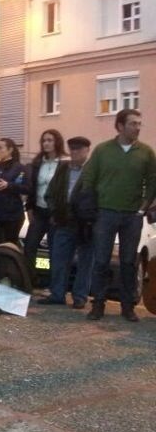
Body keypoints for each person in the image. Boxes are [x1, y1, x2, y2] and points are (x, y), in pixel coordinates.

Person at [82, 109, 156, 322]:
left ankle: (128, 306)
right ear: (120, 126)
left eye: (139, 123)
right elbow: (89, 178)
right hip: (105, 213)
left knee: (129, 262)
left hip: (132, 216)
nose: (138, 128)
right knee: (101, 260)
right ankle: (98, 304)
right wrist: (93, 206)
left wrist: (143, 207)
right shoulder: (103, 150)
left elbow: (153, 181)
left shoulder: (146, 152)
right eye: (133, 123)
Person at [39, 136, 94, 308]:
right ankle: (57, 294)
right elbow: (50, 193)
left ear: (87, 150)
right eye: (72, 149)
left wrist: (93, 216)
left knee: (85, 261)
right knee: (59, 259)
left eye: (79, 149)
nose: (75, 153)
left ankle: (80, 297)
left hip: (86, 223)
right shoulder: (63, 168)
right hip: (64, 219)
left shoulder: (93, 169)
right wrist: (54, 211)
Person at [24, 130, 65, 271]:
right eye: (44, 140)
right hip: (39, 211)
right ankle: (30, 279)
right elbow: (32, 187)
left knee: (55, 250)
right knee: (29, 246)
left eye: (50, 140)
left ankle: (53, 282)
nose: (46, 143)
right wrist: (29, 207)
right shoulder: (37, 163)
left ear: (57, 142)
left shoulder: (64, 163)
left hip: (55, 213)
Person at [0, 138, 28, 245]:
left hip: (13, 215)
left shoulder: (20, 168)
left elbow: (27, 188)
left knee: (9, 246)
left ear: (10, 150)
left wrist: (8, 185)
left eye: (1, 148)